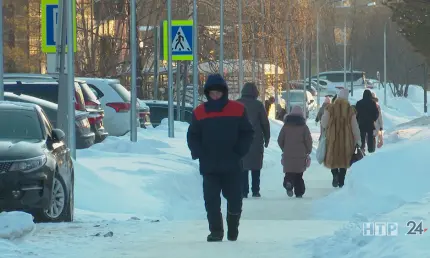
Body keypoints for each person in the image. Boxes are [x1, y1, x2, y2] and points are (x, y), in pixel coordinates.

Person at [187, 74, 254, 242]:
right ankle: (216, 231)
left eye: (218, 92)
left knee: (235, 200)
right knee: (211, 201)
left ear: (224, 92)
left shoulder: (237, 109)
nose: (215, 96)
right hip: (209, 165)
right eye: (212, 93)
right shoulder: (199, 112)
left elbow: (247, 132)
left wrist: (239, 151)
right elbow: (193, 135)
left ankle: (233, 228)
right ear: (207, 93)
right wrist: (198, 152)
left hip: (232, 164)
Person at [321, 89, 361, 188]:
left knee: (333, 158)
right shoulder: (350, 110)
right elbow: (355, 127)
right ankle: (341, 179)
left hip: (332, 138)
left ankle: (335, 174)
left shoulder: (330, 108)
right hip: (346, 141)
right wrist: (358, 140)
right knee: (344, 160)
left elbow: (324, 123)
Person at [237, 82, 271, 198]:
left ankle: (244, 191)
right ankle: (255, 190)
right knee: (256, 166)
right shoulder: (258, 105)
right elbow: (265, 123)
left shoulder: (237, 104)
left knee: (243, 166)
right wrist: (267, 138)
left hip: (240, 139)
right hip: (256, 139)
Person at [277, 106, 312, 198]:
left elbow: (280, 139)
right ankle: (299, 192)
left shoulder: (286, 126)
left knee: (289, 173)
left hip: (288, 154)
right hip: (300, 155)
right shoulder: (304, 127)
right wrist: (308, 150)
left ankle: (288, 182)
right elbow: (308, 140)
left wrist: (284, 148)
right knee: (299, 175)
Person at [355, 89, 380, 154]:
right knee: (370, 137)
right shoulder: (372, 103)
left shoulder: (359, 103)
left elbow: (356, 113)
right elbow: (376, 113)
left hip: (361, 123)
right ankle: (371, 149)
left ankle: (362, 149)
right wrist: (373, 119)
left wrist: (357, 120)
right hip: (370, 123)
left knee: (362, 136)